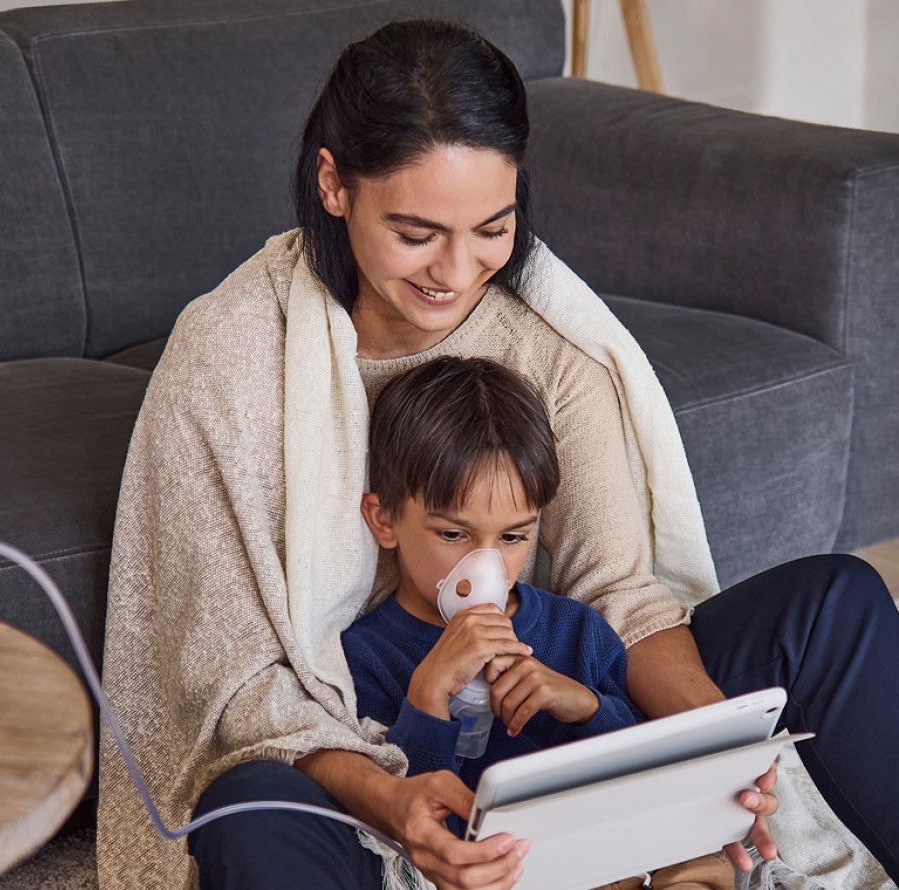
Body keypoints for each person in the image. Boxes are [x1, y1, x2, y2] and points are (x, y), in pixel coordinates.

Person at [97, 16, 899, 890]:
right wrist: (392, 799)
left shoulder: (548, 346)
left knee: (836, 598)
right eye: (417, 232)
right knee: (248, 806)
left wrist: (718, 755)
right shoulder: (227, 361)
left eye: (492, 228)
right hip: (349, 747)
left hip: (534, 743)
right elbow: (242, 690)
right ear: (333, 183)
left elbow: (620, 599)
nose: (457, 270)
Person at [341, 355, 732, 890]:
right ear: (385, 520)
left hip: (612, 848)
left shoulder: (576, 630)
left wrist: (586, 705)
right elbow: (405, 833)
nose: (488, 567)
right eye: (453, 535)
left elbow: (646, 769)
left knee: (697, 855)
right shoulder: (366, 654)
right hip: (504, 869)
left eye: (513, 537)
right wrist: (428, 695)